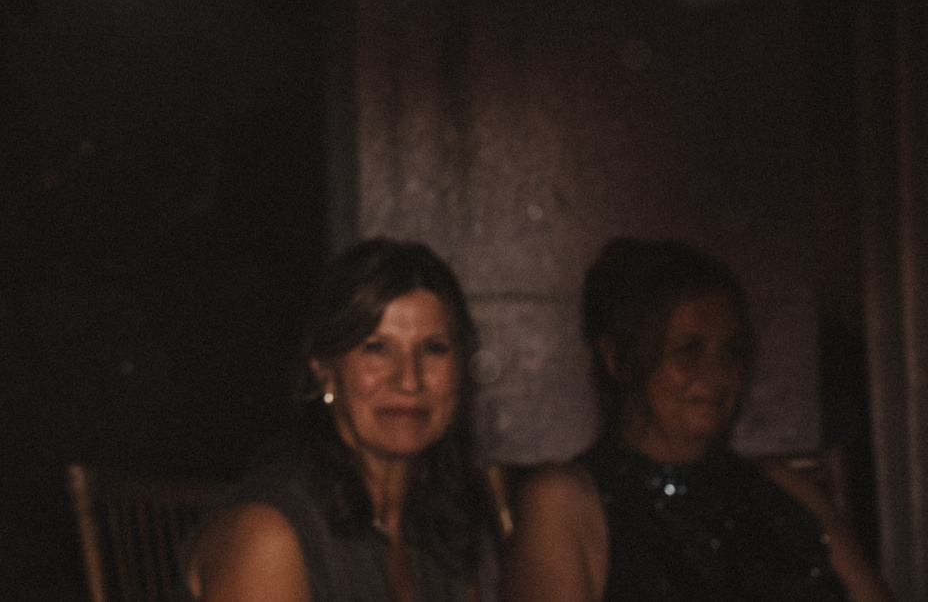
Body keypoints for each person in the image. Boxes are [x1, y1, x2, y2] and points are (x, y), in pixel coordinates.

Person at [505, 239, 889, 602]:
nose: (717, 374)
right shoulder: (564, 502)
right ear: (617, 359)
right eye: (688, 350)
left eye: (732, 352)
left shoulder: (787, 493)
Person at [188, 239, 496, 602]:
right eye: (377, 348)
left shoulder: (447, 528)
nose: (409, 380)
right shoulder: (270, 536)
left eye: (434, 349)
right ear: (325, 373)